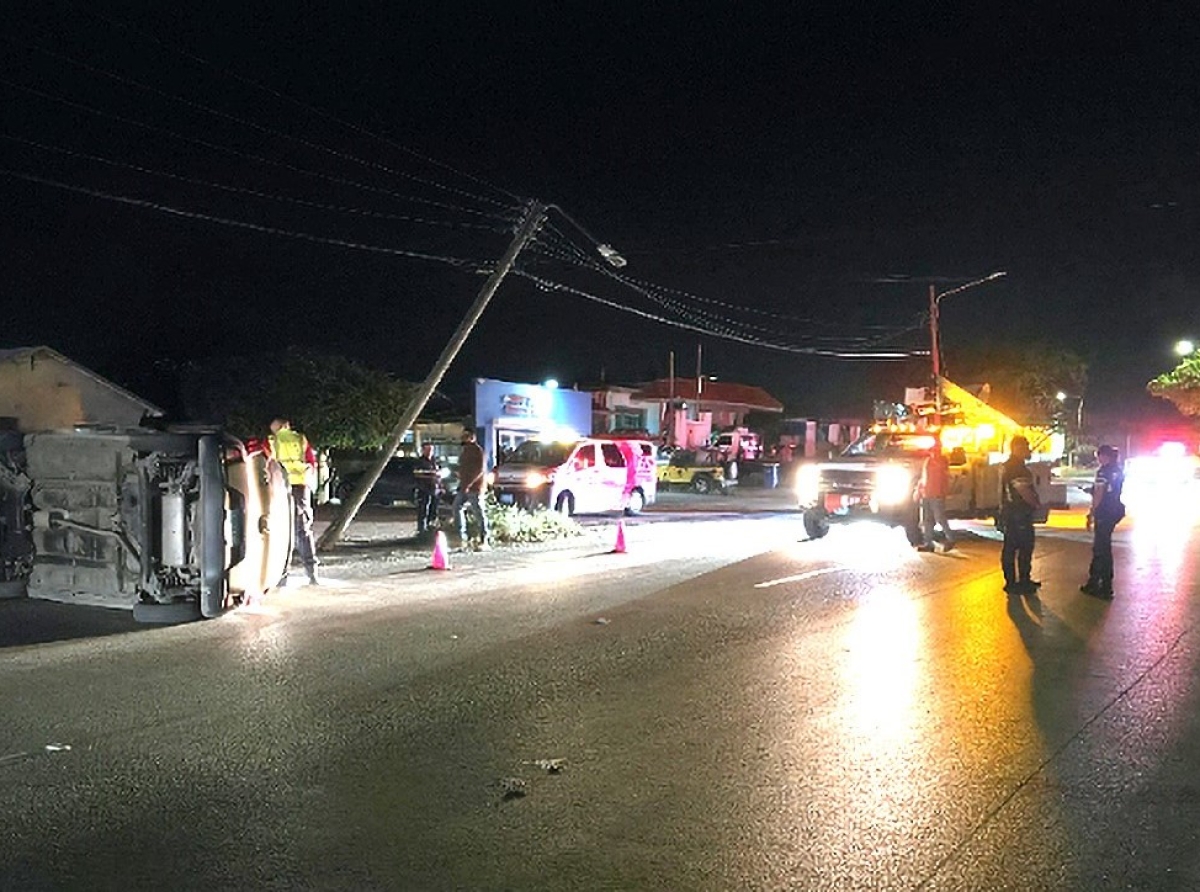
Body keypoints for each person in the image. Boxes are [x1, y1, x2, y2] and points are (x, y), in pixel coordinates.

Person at [268, 417, 320, 585]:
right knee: (303, 530)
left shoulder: (272, 441)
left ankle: (282, 576)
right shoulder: (301, 439)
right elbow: (312, 463)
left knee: (281, 531)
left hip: (279, 487)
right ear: (288, 425)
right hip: (300, 486)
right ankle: (312, 573)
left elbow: (266, 465)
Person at [1081, 444, 1126, 599]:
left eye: (1098, 456)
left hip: (1104, 512)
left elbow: (1099, 494)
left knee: (1100, 549)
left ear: (1103, 456)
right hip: (1114, 511)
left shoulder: (1103, 471)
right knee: (1104, 547)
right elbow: (1110, 489)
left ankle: (1101, 585)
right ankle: (1102, 583)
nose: (1098, 460)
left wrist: (1091, 513)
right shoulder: (1118, 470)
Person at [999, 435, 1042, 595]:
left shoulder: (1008, 466)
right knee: (1024, 547)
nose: (1028, 450)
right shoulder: (1017, 468)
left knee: (1010, 547)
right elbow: (1023, 490)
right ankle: (1021, 581)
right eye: (1025, 447)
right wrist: (1036, 504)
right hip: (1019, 513)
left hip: (1011, 512)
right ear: (1017, 448)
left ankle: (1012, 581)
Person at [452, 428, 489, 549]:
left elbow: (479, 470)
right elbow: (464, 467)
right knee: (457, 507)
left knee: (478, 511)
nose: (463, 438)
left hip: (474, 487)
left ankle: (484, 538)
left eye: (466, 436)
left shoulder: (477, 451)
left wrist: (468, 483)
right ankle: (461, 538)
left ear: (472, 437)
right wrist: (459, 475)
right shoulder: (465, 450)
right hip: (465, 486)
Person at [917, 436, 955, 552]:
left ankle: (951, 539)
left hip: (937, 495)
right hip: (927, 494)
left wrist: (943, 493)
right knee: (926, 520)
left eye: (936, 449)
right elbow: (923, 478)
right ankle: (928, 543)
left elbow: (945, 479)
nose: (934, 452)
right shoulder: (928, 462)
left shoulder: (942, 462)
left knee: (940, 518)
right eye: (933, 450)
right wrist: (918, 490)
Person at [412, 442, 441, 536]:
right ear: (423, 450)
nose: (429, 452)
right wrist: (431, 475)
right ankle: (421, 530)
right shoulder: (419, 462)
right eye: (427, 449)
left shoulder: (434, 461)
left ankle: (431, 528)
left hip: (434, 490)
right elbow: (417, 474)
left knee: (434, 509)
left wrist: (440, 485)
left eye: (431, 449)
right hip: (423, 489)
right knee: (423, 509)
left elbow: (438, 474)